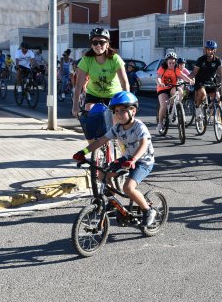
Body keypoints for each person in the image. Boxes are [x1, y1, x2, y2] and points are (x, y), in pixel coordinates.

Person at [72, 91, 157, 227]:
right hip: (127, 158)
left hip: (143, 161)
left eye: (122, 111)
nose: (118, 114)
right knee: (102, 176)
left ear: (133, 111)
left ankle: (148, 210)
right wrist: (83, 152)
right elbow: (101, 141)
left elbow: (143, 144)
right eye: (116, 111)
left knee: (128, 188)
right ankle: (113, 203)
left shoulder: (139, 126)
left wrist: (134, 159)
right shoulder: (117, 128)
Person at [71, 27, 129, 118]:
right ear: (91, 45)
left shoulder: (115, 59)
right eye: (95, 43)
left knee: (115, 121)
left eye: (102, 42)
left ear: (107, 44)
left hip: (113, 95)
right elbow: (78, 85)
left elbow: (124, 82)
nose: (98, 45)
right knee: (89, 114)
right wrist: (75, 107)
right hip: (93, 94)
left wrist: (127, 104)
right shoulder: (86, 60)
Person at [156, 52, 194, 133]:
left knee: (180, 91)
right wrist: (160, 83)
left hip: (172, 87)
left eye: (173, 62)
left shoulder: (176, 69)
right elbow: (158, 77)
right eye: (170, 62)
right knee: (164, 105)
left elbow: (183, 76)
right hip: (162, 88)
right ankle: (160, 123)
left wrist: (190, 80)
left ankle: (177, 106)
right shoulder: (162, 68)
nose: (171, 64)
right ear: (166, 62)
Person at [189, 40, 221, 117]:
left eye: (212, 49)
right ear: (205, 49)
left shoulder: (217, 60)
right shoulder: (201, 59)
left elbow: (221, 72)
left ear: (215, 50)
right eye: (208, 49)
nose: (210, 51)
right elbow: (194, 72)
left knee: (218, 99)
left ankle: (217, 120)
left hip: (211, 82)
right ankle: (197, 107)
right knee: (203, 94)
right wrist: (188, 79)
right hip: (201, 82)